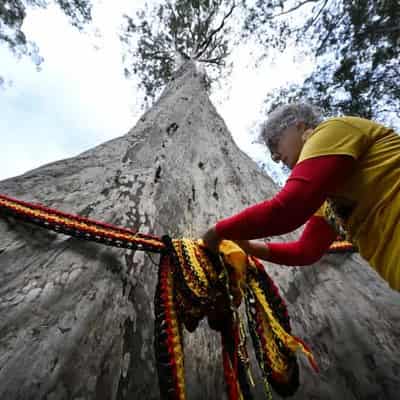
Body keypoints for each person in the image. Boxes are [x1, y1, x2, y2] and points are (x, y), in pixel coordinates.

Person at [202, 103, 400, 292]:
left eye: (274, 141)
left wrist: (217, 231)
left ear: (301, 126)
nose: (275, 157)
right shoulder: (327, 201)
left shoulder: (332, 130)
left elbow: (288, 207)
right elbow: (306, 251)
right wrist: (248, 247)